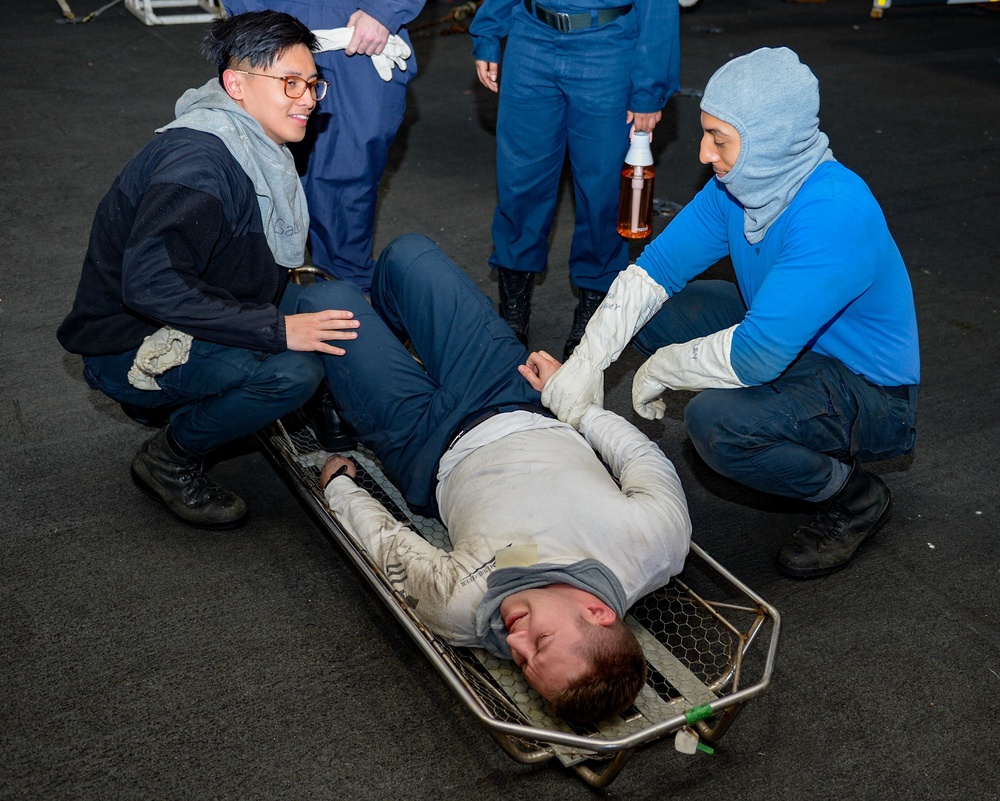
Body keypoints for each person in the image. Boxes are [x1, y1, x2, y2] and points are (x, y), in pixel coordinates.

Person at [538, 47, 919, 580]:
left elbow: (758, 355)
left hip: (869, 390)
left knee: (716, 423)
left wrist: (661, 370)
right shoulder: (739, 186)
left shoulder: (835, 210)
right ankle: (787, 424)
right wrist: (585, 364)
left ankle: (852, 497)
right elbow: (654, 273)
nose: (702, 152)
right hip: (790, 339)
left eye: (720, 138)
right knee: (656, 312)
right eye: (706, 132)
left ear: (770, 142)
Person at [296, 233, 691, 723]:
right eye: (540, 642)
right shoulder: (655, 544)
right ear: (599, 614)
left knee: (321, 303)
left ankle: (355, 381)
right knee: (406, 256)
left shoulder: (463, 608)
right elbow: (639, 456)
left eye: (522, 662)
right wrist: (573, 403)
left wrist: (340, 490)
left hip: (426, 447)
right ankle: (385, 349)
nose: (515, 638)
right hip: (517, 392)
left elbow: (390, 546)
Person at [56, 12, 361, 529]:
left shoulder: (249, 141)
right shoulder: (198, 163)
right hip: (131, 341)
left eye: (312, 84)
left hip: (201, 298)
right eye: (290, 83)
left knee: (331, 304)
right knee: (293, 371)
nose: (308, 99)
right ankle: (169, 457)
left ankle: (255, 395)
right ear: (235, 84)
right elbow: (149, 285)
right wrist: (277, 330)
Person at [469, 0, 680, 358]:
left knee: (603, 195)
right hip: (531, 38)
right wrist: (488, 29)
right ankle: (514, 309)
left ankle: (595, 308)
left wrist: (648, 88)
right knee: (520, 184)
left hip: (607, 46)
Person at [223, 0, 427, 293]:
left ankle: (347, 300)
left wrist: (385, 10)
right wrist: (249, 18)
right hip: (269, 21)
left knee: (347, 178)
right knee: (258, 172)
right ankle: (259, 306)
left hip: (356, 33)